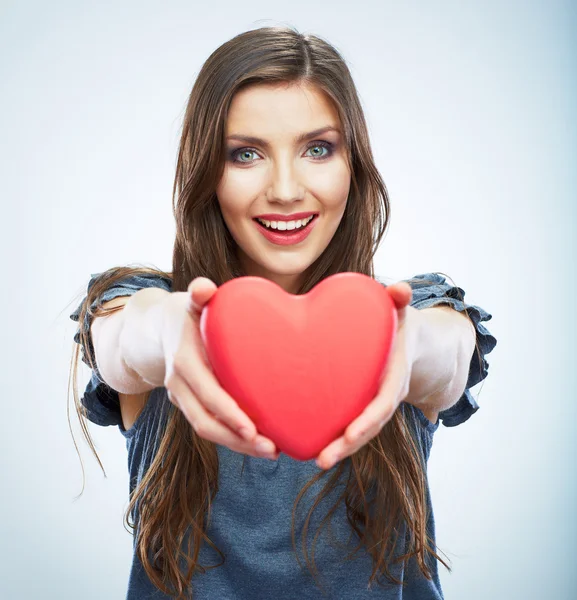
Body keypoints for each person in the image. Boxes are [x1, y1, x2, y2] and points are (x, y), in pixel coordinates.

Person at [69, 25, 497, 600]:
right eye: (246, 154)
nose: (287, 189)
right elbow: (123, 343)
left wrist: (408, 342)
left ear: (354, 165)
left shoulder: (411, 314)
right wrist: (168, 335)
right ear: (208, 172)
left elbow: (445, 354)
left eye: (317, 149)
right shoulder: (153, 306)